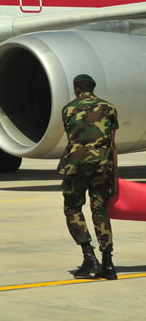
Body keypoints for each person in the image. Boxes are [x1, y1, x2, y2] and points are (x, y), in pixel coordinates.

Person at [59, 74, 119, 280]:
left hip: (76, 165)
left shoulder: (68, 109)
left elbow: (73, 137)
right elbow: (112, 143)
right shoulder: (108, 108)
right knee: (100, 209)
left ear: (76, 89)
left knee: (73, 208)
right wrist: (115, 173)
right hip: (103, 164)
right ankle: (108, 263)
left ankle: (88, 255)